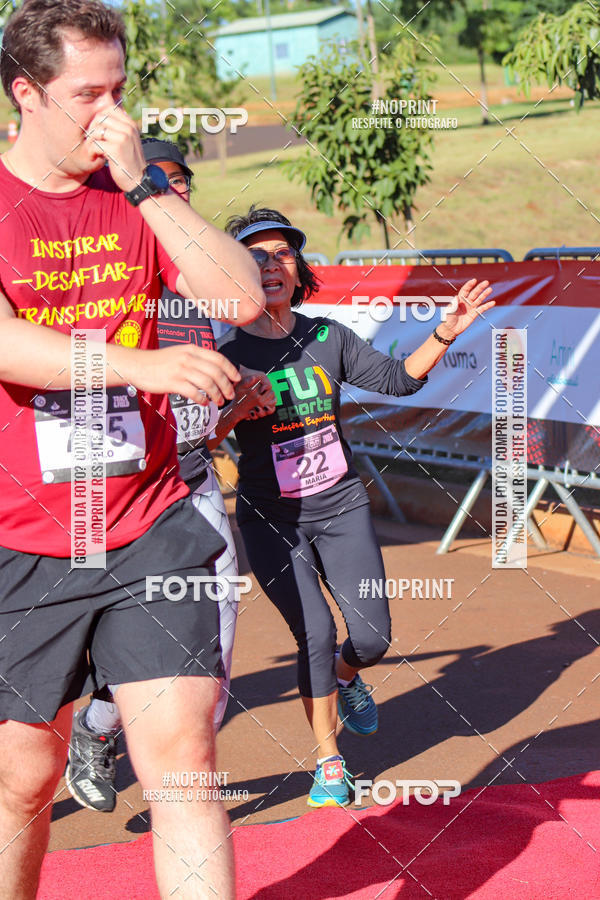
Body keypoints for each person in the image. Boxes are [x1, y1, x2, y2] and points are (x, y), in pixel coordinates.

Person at [0, 3, 265, 898]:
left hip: (149, 522)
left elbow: (237, 301)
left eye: (121, 89)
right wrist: (140, 362)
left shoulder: (138, 188)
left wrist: (147, 185)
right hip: (24, 537)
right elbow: (8, 345)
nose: (111, 112)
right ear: (25, 94)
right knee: (22, 782)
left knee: (185, 760)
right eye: (87, 94)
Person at [217, 205, 494, 808]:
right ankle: (330, 761)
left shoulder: (328, 337)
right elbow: (202, 440)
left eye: (282, 253)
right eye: (255, 255)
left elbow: (401, 381)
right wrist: (238, 408)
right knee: (314, 632)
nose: (270, 264)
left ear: (298, 269)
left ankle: (349, 679)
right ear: (235, 269)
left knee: (370, 638)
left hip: (341, 506)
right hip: (272, 517)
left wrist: (448, 331)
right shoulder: (224, 351)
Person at [67, 138, 276, 814]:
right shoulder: (100, 270)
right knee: (91, 646)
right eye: (158, 178)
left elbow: (207, 405)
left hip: (191, 481)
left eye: (181, 179)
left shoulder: (202, 283)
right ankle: (94, 731)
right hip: (101, 486)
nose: (174, 189)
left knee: (211, 640)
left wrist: (239, 395)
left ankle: (184, 784)